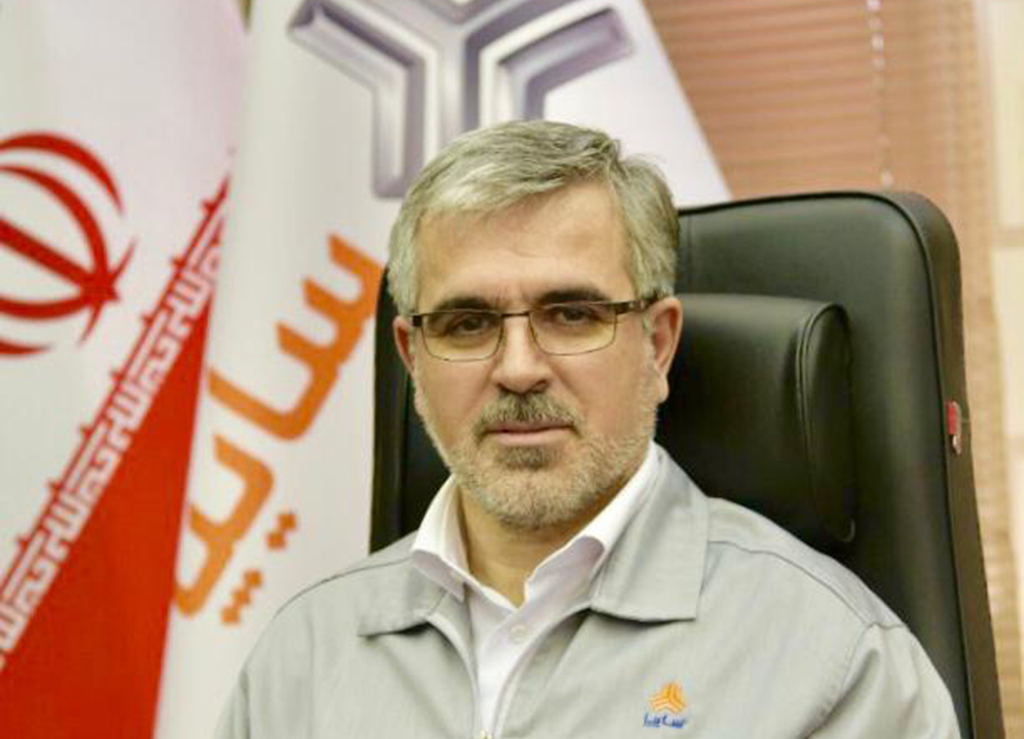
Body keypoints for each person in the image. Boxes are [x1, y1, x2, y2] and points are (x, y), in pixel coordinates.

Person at [215, 120, 961, 738]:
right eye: (468, 323)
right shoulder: (302, 658)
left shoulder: (831, 657)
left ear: (657, 346)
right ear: (413, 359)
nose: (518, 369)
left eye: (572, 314)